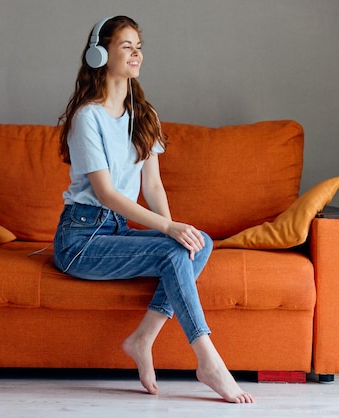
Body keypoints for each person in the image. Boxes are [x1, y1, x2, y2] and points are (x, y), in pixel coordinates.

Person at [54, 15, 254, 404]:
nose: (136, 54)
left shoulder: (144, 116)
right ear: (100, 54)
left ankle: (143, 337)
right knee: (173, 245)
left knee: (199, 242)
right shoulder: (86, 117)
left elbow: (153, 185)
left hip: (117, 231)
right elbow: (108, 194)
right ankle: (209, 361)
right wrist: (167, 228)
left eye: (139, 46)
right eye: (126, 46)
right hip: (81, 239)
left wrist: (176, 228)